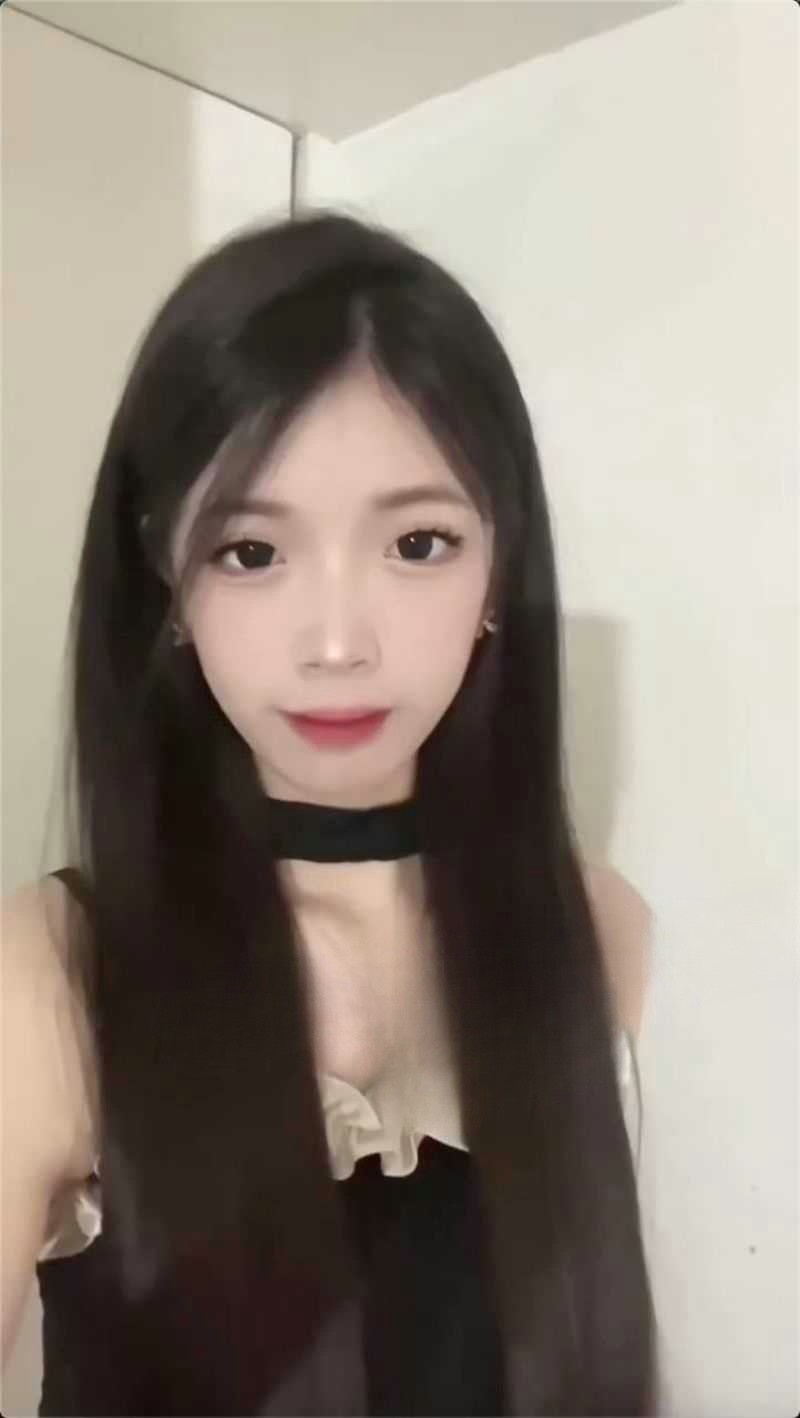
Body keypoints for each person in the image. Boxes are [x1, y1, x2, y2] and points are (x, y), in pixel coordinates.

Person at [1, 209, 660, 1415]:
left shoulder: (596, 925)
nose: (339, 642)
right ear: (166, 578)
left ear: (498, 565)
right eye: (251, 552)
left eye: (418, 541)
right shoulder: (50, 969)